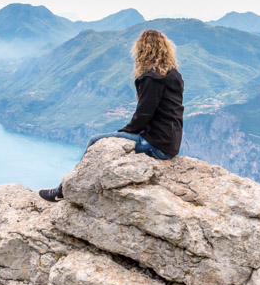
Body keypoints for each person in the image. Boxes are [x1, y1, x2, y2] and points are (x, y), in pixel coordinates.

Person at [38, 29, 184, 202]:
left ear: (143, 51)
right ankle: (66, 188)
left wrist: (123, 133)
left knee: (96, 141)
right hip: (170, 142)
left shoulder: (153, 79)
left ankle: (63, 190)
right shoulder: (173, 75)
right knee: (105, 142)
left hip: (156, 143)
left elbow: (144, 114)